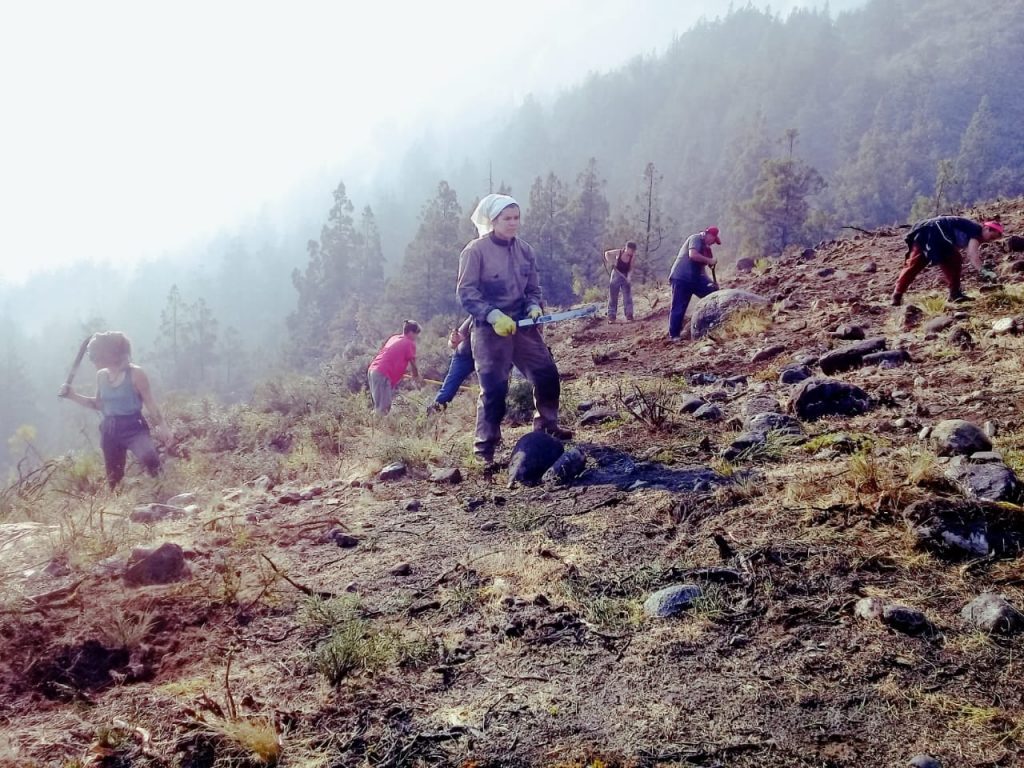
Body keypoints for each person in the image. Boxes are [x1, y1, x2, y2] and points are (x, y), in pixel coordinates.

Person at [456, 193, 572, 464]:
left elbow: (533, 288)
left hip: (523, 326)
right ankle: (484, 449)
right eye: (506, 219)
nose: (512, 223)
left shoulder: (525, 250)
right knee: (494, 390)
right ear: (493, 221)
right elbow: (466, 292)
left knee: (546, 374)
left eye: (516, 218)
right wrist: (493, 314)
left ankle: (546, 425)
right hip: (489, 330)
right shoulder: (474, 251)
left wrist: (534, 306)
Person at [59, 332, 171, 489]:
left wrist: (163, 427)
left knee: (151, 460)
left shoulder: (136, 374)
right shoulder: (101, 376)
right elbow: (99, 405)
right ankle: (118, 504)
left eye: (94, 356)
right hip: (110, 430)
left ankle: (166, 492)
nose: (92, 360)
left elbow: (150, 402)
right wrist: (73, 396)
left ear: (109, 354)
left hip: (134, 427)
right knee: (114, 478)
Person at [891, 217, 1004, 305]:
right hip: (934, 230)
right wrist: (984, 271)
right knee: (952, 260)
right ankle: (954, 294)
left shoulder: (972, 231)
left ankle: (897, 295)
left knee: (915, 264)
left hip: (926, 229)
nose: (990, 241)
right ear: (986, 228)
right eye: (991, 237)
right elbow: (973, 256)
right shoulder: (975, 232)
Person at [668, 227, 721, 340]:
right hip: (681, 277)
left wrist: (711, 283)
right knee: (679, 306)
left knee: (713, 294)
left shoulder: (706, 250)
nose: (713, 243)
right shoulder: (695, 238)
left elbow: (702, 271)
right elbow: (693, 255)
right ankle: (674, 335)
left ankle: (712, 324)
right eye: (713, 240)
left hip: (695, 279)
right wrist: (709, 260)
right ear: (709, 235)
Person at [367, 320, 421, 414]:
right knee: (383, 408)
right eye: (416, 333)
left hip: (373, 370)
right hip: (382, 373)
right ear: (411, 332)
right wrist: (416, 377)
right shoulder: (409, 343)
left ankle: (371, 425)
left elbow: (393, 356)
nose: (417, 337)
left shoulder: (394, 337)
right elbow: (413, 363)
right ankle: (375, 427)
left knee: (378, 406)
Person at [427, 316, 475, 413]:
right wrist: (453, 340)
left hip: (488, 360)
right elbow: (452, 344)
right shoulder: (475, 315)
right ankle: (432, 415)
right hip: (464, 357)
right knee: (448, 390)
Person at [604, 241, 637, 322]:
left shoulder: (632, 257)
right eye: (631, 250)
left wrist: (629, 277)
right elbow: (607, 253)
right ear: (627, 248)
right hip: (616, 274)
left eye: (633, 251)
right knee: (613, 296)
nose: (632, 252)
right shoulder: (619, 252)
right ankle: (611, 316)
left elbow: (631, 268)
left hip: (625, 275)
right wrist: (611, 262)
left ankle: (629, 315)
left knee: (627, 296)